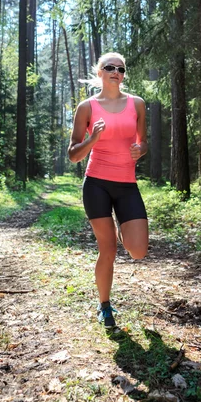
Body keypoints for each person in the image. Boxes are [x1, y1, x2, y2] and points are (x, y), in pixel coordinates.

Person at [68, 52, 148, 328]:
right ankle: (105, 306)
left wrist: (141, 149)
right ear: (100, 72)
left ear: (124, 74)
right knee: (108, 249)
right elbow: (73, 154)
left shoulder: (137, 104)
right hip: (97, 184)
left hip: (127, 184)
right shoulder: (87, 107)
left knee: (137, 250)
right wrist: (93, 139)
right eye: (110, 67)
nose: (116, 71)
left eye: (121, 68)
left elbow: (143, 142)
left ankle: (125, 229)